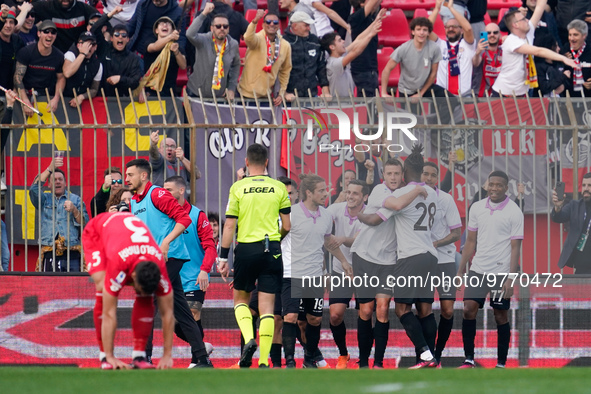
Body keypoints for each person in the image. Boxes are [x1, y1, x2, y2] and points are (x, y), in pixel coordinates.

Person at [125, 158, 212, 368]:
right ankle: (202, 357)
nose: (127, 178)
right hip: (155, 260)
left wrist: (166, 242)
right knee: (182, 311)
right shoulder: (134, 201)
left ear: (143, 176)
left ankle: (143, 357)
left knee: (147, 302)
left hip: (170, 257)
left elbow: (184, 218)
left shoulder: (157, 194)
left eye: (130, 174)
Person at [355, 154, 433, 369]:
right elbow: (396, 206)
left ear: (403, 175)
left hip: (389, 260)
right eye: (389, 173)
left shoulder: (405, 192)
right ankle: (362, 362)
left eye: (397, 173)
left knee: (382, 309)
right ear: (383, 176)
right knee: (366, 311)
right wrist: (417, 189)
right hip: (364, 256)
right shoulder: (381, 191)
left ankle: (378, 363)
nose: (393, 177)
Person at [217, 143, 291, 368]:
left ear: (247, 162)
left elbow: (230, 226)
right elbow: (287, 225)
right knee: (267, 307)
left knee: (241, 300)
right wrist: (276, 237)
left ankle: (249, 339)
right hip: (272, 250)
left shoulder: (238, 187)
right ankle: (263, 360)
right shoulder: (279, 187)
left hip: (246, 249)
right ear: (267, 162)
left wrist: (222, 258)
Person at [82, 212, 174, 370]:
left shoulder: (159, 266)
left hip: (123, 240)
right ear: (132, 276)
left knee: (145, 298)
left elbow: (168, 315)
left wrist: (167, 355)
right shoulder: (119, 265)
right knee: (102, 289)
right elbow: (109, 313)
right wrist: (110, 357)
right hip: (97, 233)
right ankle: (104, 357)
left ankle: (139, 356)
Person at [457, 170, 524, 369]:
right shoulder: (477, 208)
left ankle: (501, 363)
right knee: (468, 309)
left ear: (506, 188)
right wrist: (461, 270)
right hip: (478, 271)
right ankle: (469, 359)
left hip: (501, 273)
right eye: (491, 184)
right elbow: (470, 241)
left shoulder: (514, 211)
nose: (494, 188)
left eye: (499, 185)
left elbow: (515, 248)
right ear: (487, 185)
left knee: (500, 315)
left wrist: (510, 279)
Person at [288, 173, 351, 369]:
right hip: (293, 276)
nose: (326, 193)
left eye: (326, 189)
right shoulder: (291, 213)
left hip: (315, 277)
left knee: (314, 319)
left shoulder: (325, 215)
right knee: (296, 321)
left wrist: (343, 261)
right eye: (321, 190)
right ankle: (291, 361)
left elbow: (328, 242)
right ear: (308, 192)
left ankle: (309, 359)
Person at [163, 175, 217, 358]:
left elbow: (210, 245)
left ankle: (198, 358)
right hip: (172, 277)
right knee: (176, 323)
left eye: (168, 189)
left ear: (181, 190)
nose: (164, 193)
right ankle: (202, 348)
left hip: (195, 277)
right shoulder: (163, 215)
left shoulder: (197, 215)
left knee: (192, 312)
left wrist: (204, 270)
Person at [421, 161, 461, 364]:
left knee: (447, 310)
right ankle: (427, 356)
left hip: (444, 260)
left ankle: (438, 353)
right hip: (422, 261)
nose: (428, 178)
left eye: (432, 175)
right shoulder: (410, 198)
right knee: (424, 310)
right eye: (425, 174)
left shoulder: (446, 199)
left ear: (437, 178)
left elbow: (456, 233)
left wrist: (436, 243)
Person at [492, 0, 577, 97]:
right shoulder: (511, 40)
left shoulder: (528, 33)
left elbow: (540, 7)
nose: (528, 20)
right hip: (504, 94)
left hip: (522, 93)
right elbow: (538, 51)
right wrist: (563, 58)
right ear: (515, 25)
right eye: (523, 19)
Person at [326, 179, 368, 369]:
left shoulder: (369, 214)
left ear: (364, 197)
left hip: (364, 269)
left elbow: (356, 242)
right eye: (348, 192)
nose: (350, 196)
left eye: (355, 193)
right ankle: (343, 354)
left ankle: (365, 359)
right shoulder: (337, 209)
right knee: (335, 316)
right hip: (339, 269)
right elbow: (322, 225)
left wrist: (342, 238)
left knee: (366, 315)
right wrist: (342, 261)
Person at [29, 158, 89, 272]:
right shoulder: (44, 199)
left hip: (72, 252)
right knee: (50, 286)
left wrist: (75, 211)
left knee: (73, 286)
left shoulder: (75, 200)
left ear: (65, 183)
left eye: (60, 179)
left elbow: (85, 224)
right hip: (49, 251)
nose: (57, 182)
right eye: (54, 180)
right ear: (49, 185)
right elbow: (33, 190)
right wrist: (49, 169)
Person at [320, 9, 384, 98]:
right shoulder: (334, 64)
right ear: (332, 47)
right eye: (339, 40)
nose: (343, 42)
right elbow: (356, 51)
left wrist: (375, 22)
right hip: (337, 107)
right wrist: (370, 35)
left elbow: (358, 39)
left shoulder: (341, 56)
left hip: (346, 105)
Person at [186, 3, 240, 99]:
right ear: (212, 28)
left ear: (228, 29)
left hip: (219, 96)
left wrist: (231, 88)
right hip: (196, 92)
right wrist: (204, 13)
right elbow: (190, 34)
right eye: (218, 26)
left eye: (225, 26)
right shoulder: (203, 39)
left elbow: (236, 65)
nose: (222, 29)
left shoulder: (233, 44)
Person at [237, 10, 292, 106]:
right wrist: (255, 21)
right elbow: (248, 38)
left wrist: (281, 92)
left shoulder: (285, 45)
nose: (272, 24)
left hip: (266, 97)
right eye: (268, 22)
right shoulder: (257, 38)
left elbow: (285, 71)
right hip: (244, 95)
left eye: (275, 22)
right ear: (263, 25)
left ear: (279, 26)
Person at [380, 17, 441, 101]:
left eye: (425, 30)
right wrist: (383, 93)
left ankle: (436, 114)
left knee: (451, 101)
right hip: (407, 91)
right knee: (412, 114)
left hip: (425, 87)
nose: (421, 33)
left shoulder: (435, 48)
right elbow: (387, 69)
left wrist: (420, 94)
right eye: (418, 29)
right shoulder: (404, 48)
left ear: (428, 33)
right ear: (413, 32)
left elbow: (433, 74)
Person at [14, 20, 65, 117]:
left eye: (53, 32)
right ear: (38, 34)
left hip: (45, 96)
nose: (49, 35)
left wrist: (56, 98)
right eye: (46, 31)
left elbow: (61, 78)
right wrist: (25, 101)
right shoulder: (26, 52)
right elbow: (17, 78)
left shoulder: (59, 56)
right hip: (25, 93)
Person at [429, 0, 476, 97]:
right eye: (448, 27)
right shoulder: (439, 45)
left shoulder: (467, 45)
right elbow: (426, 29)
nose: (450, 29)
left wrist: (451, 8)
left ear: (461, 29)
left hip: (464, 96)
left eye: (454, 26)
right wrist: (437, 9)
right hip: (443, 97)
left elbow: (469, 29)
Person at [283, 12, 331, 101]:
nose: (309, 28)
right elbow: (278, 70)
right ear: (294, 26)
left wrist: (325, 91)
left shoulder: (315, 41)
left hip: (312, 96)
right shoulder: (283, 42)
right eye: (306, 25)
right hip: (290, 98)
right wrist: (284, 93)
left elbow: (321, 67)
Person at [551, 173, 591, 273]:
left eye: (589, 185)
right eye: (584, 185)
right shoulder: (575, 205)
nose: (586, 188)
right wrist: (558, 207)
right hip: (581, 268)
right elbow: (558, 217)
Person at [141, 16, 187, 98]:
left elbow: (183, 66)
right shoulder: (149, 41)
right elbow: (154, 47)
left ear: (173, 31)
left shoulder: (177, 46)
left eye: (168, 24)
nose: (165, 25)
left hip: (170, 93)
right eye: (161, 23)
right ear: (156, 30)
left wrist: (176, 52)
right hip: (151, 93)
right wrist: (170, 37)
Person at [32, 0, 98, 53]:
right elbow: (28, 15)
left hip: (77, 56)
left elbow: (103, 22)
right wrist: (24, 10)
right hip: (54, 56)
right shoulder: (46, 7)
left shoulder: (84, 9)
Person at [348, 0, 381, 97]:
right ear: (362, 4)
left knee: (373, 107)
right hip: (362, 70)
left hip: (371, 69)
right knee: (366, 107)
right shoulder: (356, 17)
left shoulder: (372, 17)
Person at [101, 24, 142, 97]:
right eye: (116, 34)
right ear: (111, 38)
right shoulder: (104, 50)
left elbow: (135, 82)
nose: (120, 37)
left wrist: (120, 79)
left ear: (127, 39)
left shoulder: (133, 58)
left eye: (124, 35)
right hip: (101, 98)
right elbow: (94, 31)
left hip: (122, 101)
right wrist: (109, 15)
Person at [63, 31, 102, 107]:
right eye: (86, 44)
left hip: (81, 102)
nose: (89, 47)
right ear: (78, 45)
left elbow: (94, 89)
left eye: (92, 44)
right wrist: (82, 54)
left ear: (96, 47)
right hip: (63, 98)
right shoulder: (71, 55)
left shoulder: (98, 65)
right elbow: (67, 73)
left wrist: (82, 97)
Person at [561, 20, 591, 98]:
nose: (571, 38)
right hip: (568, 97)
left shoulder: (589, 49)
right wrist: (563, 60)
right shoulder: (565, 50)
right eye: (570, 35)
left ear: (584, 35)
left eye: (575, 35)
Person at [472, 23, 502, 97]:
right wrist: (477, 53)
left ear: (500, 35)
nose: (492, 35)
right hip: (481, 97)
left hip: (500, 97)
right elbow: (475, 63)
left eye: (495, 32)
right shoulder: (480, 51)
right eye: (488, 33)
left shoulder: (504, 51)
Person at [0, 8, 24, 91]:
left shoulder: (18, 41)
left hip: (10, 92)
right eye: (5, 22)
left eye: (11, 22)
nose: (8, 25)